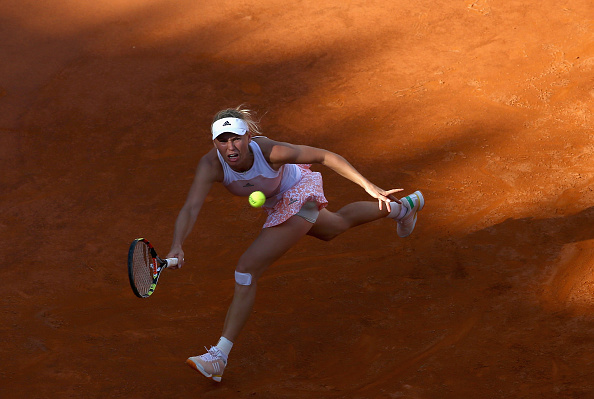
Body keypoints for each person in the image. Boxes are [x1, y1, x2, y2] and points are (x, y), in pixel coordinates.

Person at [166, 105, 424, 382]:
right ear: (214, 142)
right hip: (278, 202)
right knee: (333, 226)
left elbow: (325, 156)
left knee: (246, 270)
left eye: (236, 138)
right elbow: (191, 208)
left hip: (300, 193)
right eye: (223, 140)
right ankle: (405, 208)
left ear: (248, 137)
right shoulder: (211, 165)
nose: (230, 146)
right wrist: (177, 244)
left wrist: (367, 184)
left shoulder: (270, 152)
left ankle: (219, 356)